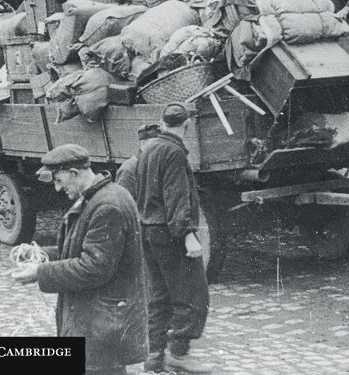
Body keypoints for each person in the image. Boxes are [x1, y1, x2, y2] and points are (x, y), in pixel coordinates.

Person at [12, 143, 148, 375]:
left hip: (104, 327)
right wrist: (40, 255)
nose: (57, 188)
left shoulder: (107, 205)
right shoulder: (97, 198)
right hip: (99, 321)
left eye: (59, 180)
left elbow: (93, 267)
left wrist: (40, 273)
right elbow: (80, 251)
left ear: (74, 173)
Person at [136, 103, 211, 374]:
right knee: (192, 294)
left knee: (159, 296)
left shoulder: (150, 147)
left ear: (162, 122)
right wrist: (188, 234)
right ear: (187, 124)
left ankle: (154, 357)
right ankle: (178, 354)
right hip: (169, 233)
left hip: (149, 229)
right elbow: (176, 196)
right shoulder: (174, 151)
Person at [115, 123, 160, 199]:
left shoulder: (154, 165)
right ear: (143, 144)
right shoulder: (129, 169)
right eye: (155, 144)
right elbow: (124, 202)